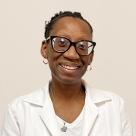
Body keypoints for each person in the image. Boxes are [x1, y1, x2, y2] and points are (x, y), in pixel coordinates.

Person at [1, 11, 134, 136]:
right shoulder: (19, 110)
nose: (72, 54)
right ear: (45, 49)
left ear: (91, 56)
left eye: (82, 46)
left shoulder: (115, 107)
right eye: (62, 43)